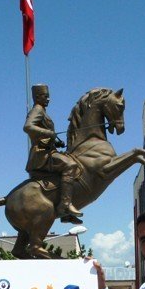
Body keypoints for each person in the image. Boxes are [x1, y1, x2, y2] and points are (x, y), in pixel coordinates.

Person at [24, 83, 83, 223]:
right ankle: (65, 205)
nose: (48, 99)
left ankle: (64, 211)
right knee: (70, 165)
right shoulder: (37, 110)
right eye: (46, 96)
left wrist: (55, 142)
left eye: (49, 96)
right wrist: (48, 132)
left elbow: (43, 136)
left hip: (48, 150)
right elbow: (27, 127)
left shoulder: (43, 111)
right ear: (38, 97)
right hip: (41, 155)